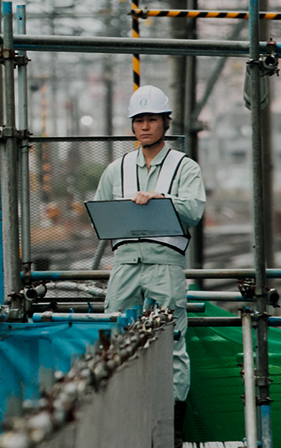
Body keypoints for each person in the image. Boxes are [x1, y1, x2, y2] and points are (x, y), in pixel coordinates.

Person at [93, 85, 206, 447]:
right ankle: (120, 419)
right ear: (132, 125)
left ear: (166, 123)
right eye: (139, 120)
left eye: (152, 120)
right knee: (115, 339)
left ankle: (170, 430)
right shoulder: (116, 169)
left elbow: (194, 210)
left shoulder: (184, 167)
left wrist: (163, 199)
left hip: (164, 263)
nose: (145, 126)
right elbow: (101, 211)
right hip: (124, 263)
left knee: (171, 343)